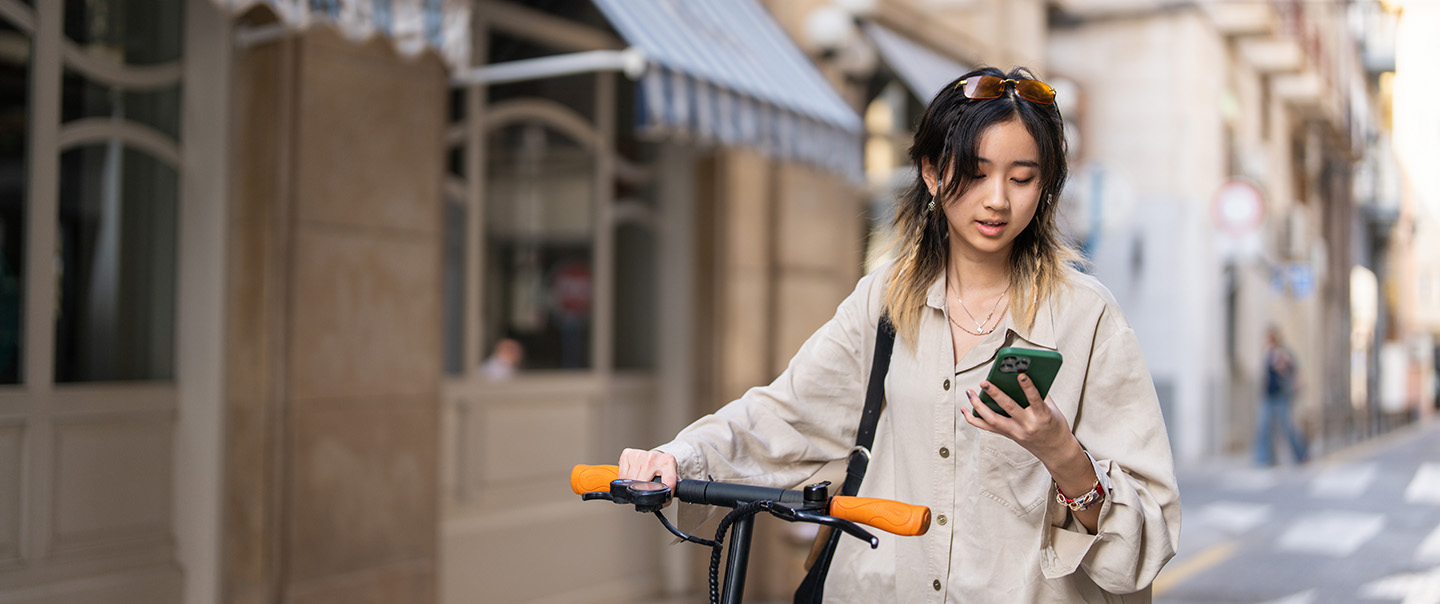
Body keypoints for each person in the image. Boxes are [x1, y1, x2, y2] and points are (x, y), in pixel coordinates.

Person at [617, 67, 1180, 602]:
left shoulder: (1087, 316)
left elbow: (1146, 537)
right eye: (977, 173)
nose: (998, 200)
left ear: (1046, 186)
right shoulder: (884, 298)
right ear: (933, 174)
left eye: (1023, 178)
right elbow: (785, 415)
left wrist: (1061, 452)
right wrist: (682, 457)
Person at [1255, 328, 1307, 465]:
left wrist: (1280, 363)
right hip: (1268, 396)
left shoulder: (1282, 352)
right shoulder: (1266, 354)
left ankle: (1302, 455)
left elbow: (1289, 371)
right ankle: (1264, 459)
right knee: (1264, 427)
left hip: (1281, 396)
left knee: (1287, 428)